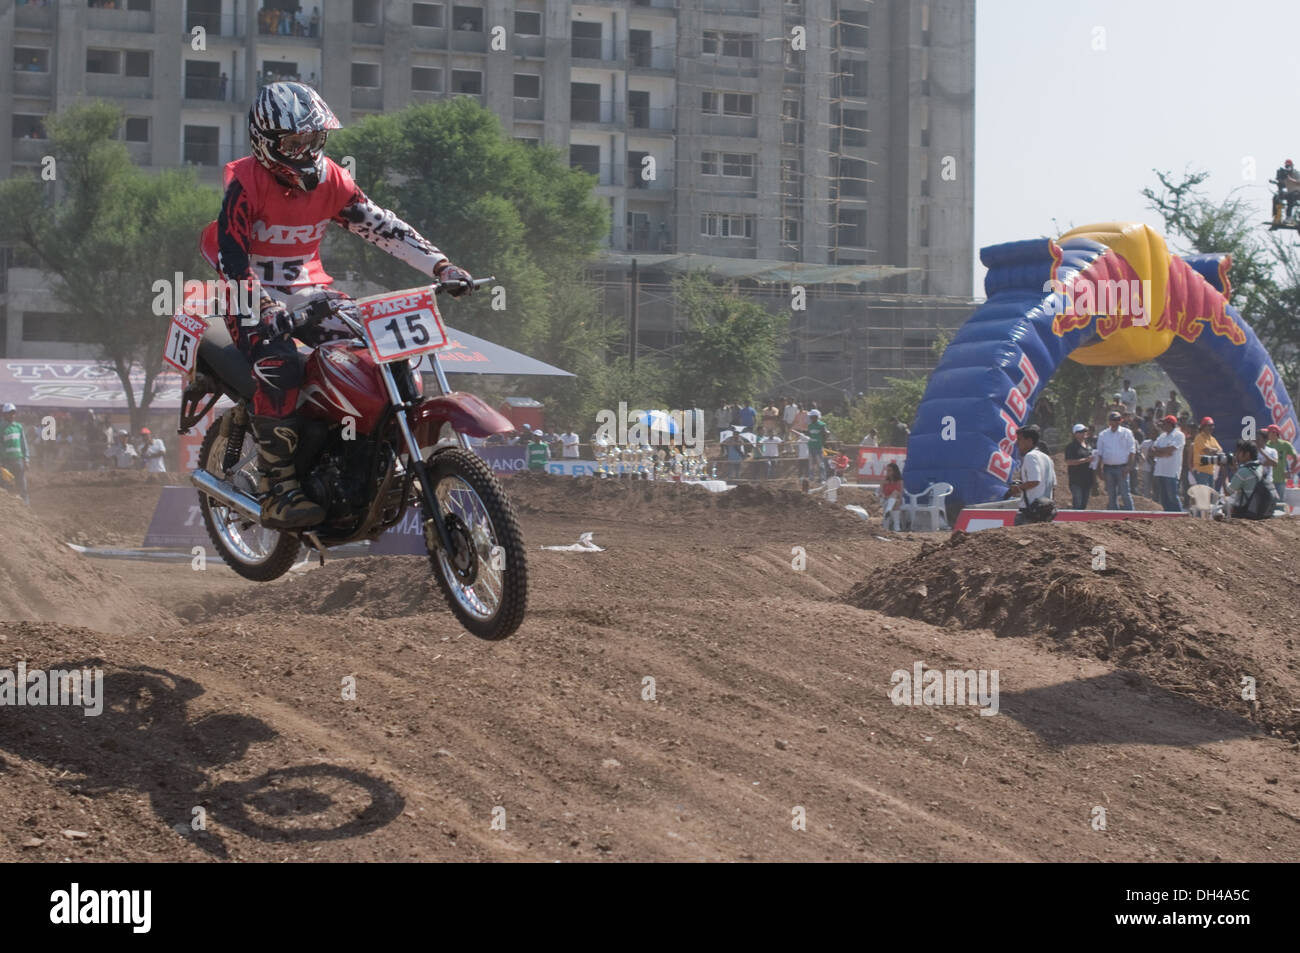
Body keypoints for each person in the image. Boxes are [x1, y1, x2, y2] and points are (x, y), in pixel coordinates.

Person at [209, 82, 474, 528]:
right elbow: (231, 261)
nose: (307, 151)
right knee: (280, 365)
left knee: (376, 351)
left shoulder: (332, 178)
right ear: (265, 143)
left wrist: (442, 266)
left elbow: (381, 226)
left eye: (314, 140)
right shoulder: (246, 185)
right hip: (250, 296)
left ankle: (365, 455)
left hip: (311, 290)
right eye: (294, 143)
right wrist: (266, 308)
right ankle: (278, 487)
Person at [1008, 425, 1056, 525]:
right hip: (1046, 511)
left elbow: (1034, 481)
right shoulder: (1047, 458)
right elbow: (1053, 484)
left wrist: (1017, 488)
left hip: (1030, 511)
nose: (1017, 443)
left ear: (1029, 441)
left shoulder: (1030, 456)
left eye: (1019, 439)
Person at [1225, 441, 1277, 519]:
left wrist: (1224, 473)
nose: (1237, 455)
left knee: (1224, 508)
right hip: (1259, 510)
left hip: (1244, 512)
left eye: (1239, 452)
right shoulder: (1260, 467)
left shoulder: (1243, 471)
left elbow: (1228, 492)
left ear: (1247, 454)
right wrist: (1235, 470)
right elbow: (1247, 480)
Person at [1095, 410, 1136, 510]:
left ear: (1120, 421)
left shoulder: (1127, 433)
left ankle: (1131, 515)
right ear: (1109, 421)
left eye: (1117, 419)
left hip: (1122, 468)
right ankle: (1114, 516)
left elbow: (1132, 450)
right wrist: (1099, 470)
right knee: (1111, 494)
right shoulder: (1103, 434)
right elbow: (1099, 453)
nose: (1115, 422)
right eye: (1113, 420)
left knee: (1125, 493)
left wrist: (1129, 466)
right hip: (1108, 469)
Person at [1148, 414, 1184, 512]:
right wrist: (1163, 452)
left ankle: (1179, 515)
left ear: (1170, 424)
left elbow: (1171, 450)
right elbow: (1151, 450)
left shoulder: (1178, 435)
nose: (1162, 425)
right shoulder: (1162, 436)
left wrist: (1159, 451)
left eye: (1164, 423)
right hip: (1160, 470)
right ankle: (1168, 515)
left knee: (1172, 496)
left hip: (1171, 472)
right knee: (1164, 497)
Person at [1, 403, 31, 504]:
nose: (12, 415)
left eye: (13, 413)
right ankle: (6, 508)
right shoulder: (1, 427)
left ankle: (26, 506)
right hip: (5, 462)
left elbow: (24, 444)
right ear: (4, 414)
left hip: (18, 460)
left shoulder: (19, 427)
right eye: (9, 413)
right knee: (5, 484)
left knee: (22, 484)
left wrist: (26, 459)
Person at [1063, 423, 1093, 509]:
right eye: (1081, 432)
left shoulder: (1088, 446)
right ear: (1075, 434)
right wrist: (1085, 460)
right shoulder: (1071, 447)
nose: (1084, 433)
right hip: (1076, 480)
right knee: (1077, 503)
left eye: (1084, 431)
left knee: (1084, 503)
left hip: (1087, 478)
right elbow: (1069, 461)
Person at [1262, 424, 1297, 489]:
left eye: (1268, 432)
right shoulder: (1265, 444)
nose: (1267, 434)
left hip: (1281, 479)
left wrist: (1290, 471)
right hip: (1267, 479)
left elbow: (1295, 457)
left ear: (1274, 433)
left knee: (1279, 496)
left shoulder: (1285, 444)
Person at [1190, 417, 1221, 487]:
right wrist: (1214, 450)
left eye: (1212, 425)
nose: (1212, 427)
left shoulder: (1212, 438)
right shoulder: (1199, 437)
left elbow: (1220, 450)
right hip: (1201, 471)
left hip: (1211, 471)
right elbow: (1207, 451)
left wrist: (1212, 450)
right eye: (1209, 425)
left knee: (1210, 492)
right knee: (1203, 492)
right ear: (1203, 427)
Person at [805, 409, 829, 480]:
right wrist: (807, 436)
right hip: (811, 446)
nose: (810, 418)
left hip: (818, 446)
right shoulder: (810, 425)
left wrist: (823, 442)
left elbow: (826, 434)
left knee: (820, 463)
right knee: (811, 464)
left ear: (816, 417)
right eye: (810, 417)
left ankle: (823, 478)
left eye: (812, 417)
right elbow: (809, 434)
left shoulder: (822, 425)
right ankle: (811, 478)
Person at [1276, 159, 1300, 223]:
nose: (1288, 167)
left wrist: (1290, 178)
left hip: (1297, 192)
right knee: (1277, 197)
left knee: (1291, 196)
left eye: (1289, 166)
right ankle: (1277, 216)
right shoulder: (1285, 174)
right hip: (1290, 192)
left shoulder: (1296, 173)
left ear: (1292, 166)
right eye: (1286, 166)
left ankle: (1289, 216)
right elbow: (1282, 184)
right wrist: (1279, 179)